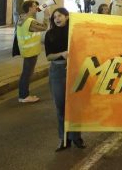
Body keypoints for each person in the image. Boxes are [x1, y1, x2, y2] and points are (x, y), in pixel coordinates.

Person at [44, 8, 85, 151]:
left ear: (67, 17)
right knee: (61, 106)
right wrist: (61, 54)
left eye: (60, 15)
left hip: (74, 70)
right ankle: (63, 138)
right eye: (55, 17)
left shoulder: (75, 32)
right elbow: (48, 56)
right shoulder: (50, 34)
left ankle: (76, 137)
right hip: (57, 71)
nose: (57, 18)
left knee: (75, 105)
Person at [17, 0, 50, 103]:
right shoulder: (30, 21)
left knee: (25, 73)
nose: (37, 7)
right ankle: (24, 96)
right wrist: (46, 16)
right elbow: (44, 27)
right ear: (30, 8)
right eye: (35, 6)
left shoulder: (22, 18)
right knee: (27, 74)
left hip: (25, 49)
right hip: (31, 51)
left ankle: (23, 95)